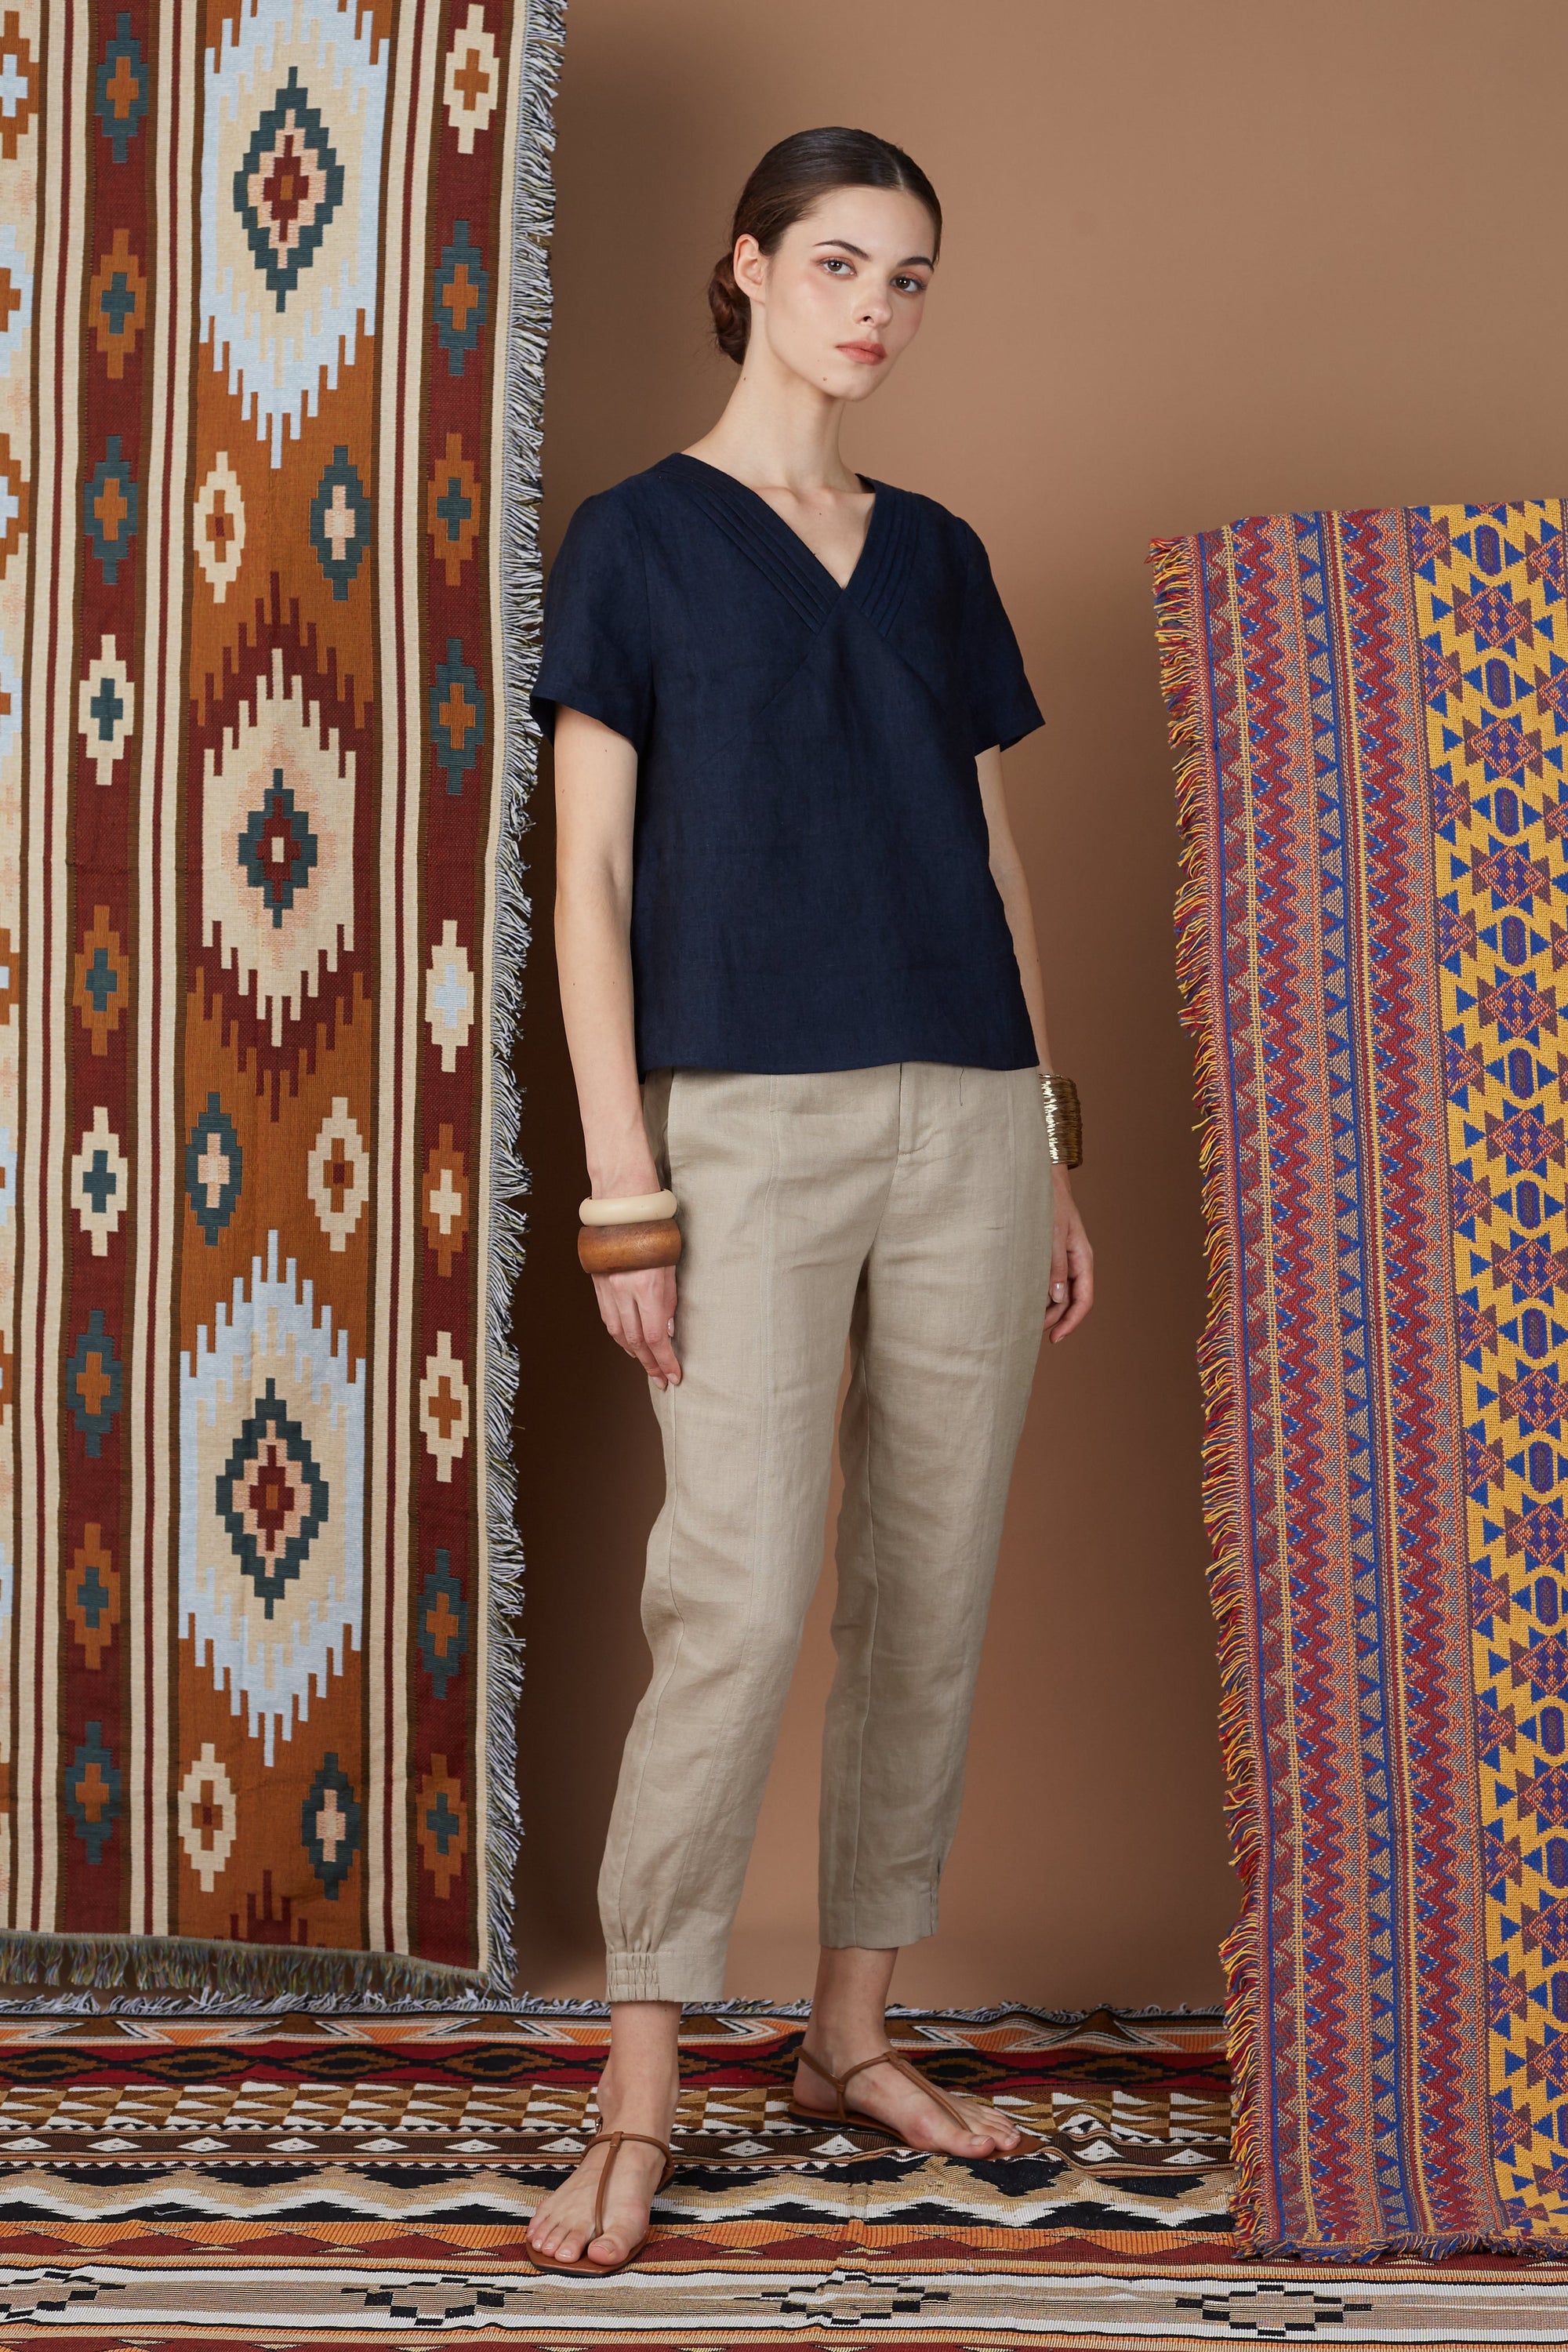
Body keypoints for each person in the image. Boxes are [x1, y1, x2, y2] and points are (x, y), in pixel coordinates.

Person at [523, 125, 1094, 2276]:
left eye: (911, 276)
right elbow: (585, 880)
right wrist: (623, 1189)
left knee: (928, 1587)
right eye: (841, 261)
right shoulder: (636, 542)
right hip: (741, 1129)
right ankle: (643, 2078)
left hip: (971, 1116)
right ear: (749, 267)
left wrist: (1051, 1145)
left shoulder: (936, 553)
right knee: (738, 1594)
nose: (877, 307)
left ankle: (851, 2032)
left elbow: (994, 858)